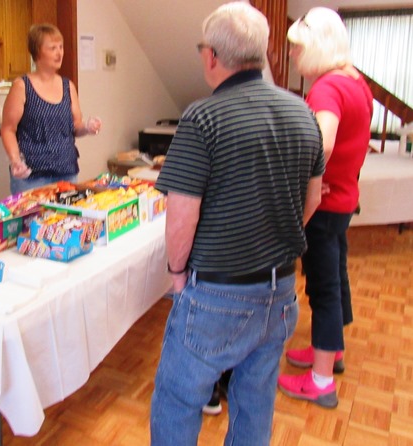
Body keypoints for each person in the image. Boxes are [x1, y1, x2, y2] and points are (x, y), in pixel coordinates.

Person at [150, 3, 325, 445]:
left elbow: (181, 215)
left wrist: (175, 274)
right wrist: (275, 235)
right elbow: (314, 197)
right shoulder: (302, 111)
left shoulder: (202, 117)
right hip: (280, 291)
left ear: (212, 55)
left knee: (177, 400)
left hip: (218, 294)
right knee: (254, 403)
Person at [278, 7, 373, 408]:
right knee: (336, 278)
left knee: (323, 287)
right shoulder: (356, 79)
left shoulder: (326, 88)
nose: (295, 58)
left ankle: (319, 381)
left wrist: (304, 180)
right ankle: (331, 352)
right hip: (345, 199)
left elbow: (324, 142)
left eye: (299, 50)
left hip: (326, 203)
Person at [1, 23, 102, 195]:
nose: (59, 52)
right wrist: (15, 160)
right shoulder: (22, 86)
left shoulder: (68, 86)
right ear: (38, 52)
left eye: (61, 47)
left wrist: (88, 127)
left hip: (67, 173)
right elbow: (8, 129)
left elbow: (76, 127)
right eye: (53, 48)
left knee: (66, 221)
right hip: (31, 178)